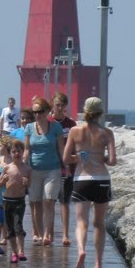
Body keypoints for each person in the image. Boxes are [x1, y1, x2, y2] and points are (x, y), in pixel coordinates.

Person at [63, 96, 117, 268]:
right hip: (101, 180)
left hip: (82, 179)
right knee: (99, 223)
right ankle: (98, 263)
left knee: (81, 222)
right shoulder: (107, 133)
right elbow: (112, 161)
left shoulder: (74, 131)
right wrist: (100, 157)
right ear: (100, 112)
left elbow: (65, 158)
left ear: (85, 111)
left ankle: (81, 250)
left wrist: (78, 157)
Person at [24, 96, 64, 245]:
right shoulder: (28, 128)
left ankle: (47, 234)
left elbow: (61, 149)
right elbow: (27, 150)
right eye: (34, 112)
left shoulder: (55, 127)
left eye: (40, 111)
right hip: (34, 170)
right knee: (35, 202)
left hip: (52, 169)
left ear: (47, 111)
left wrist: (68, 164)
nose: (37, 115)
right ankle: (38, 234)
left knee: (48, 201)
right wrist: (21, 166)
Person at [50, 91, 77, 247]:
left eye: (62, 105)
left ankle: (65, 235)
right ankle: (49, 233)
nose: (59, 108)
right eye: (57, 105)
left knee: (64, 202)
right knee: (49, 201)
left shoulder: (71, 124)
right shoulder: (48, 123)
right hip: (50, 167)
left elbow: (76, 145)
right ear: (52, 106)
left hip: (68, 169)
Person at [0, 138, 30, 264]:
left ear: (23, 153)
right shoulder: (7, 168)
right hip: (7, 201)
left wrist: (27, 183)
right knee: (10, 228)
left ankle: (21, 251)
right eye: (14, 151)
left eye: (19, 151)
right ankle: (13, 252)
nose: (16, 153)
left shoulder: (27, 169)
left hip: (19, 201)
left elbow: (29, 184)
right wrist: (3, 180)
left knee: (18, 226)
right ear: (10, 153)